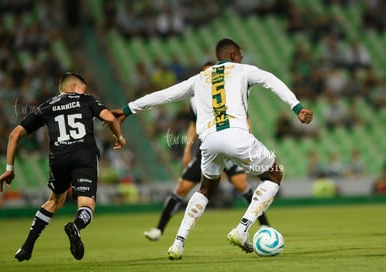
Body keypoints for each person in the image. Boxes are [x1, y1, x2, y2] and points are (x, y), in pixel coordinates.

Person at [112, 38, 313, 260]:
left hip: (208, 142)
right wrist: (297, 107)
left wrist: (128, 109)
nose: (242, 58)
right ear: (234, 55)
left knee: (205, 190)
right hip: (237, 135)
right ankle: (242, 228)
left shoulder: (199, 79)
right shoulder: (243, 70)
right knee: (274, 175)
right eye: (240, 55)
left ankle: (178, 243)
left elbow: (165, 94)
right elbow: (271, 80)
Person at [0, 72, 125, 262]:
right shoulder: (86, 100)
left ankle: (26, 247)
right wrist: (119, 137)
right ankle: (76, 226)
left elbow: (14, 135)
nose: (85, 91)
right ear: (74, 87)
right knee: (87, 204)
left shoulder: (47, 106)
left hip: (59, 158)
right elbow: (111, 118)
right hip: (84, 154)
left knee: (55, 200)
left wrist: (9, 168)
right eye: (83, 88)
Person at [144, 63, 270, 240]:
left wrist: (245, 142)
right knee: (182, 188)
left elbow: (246, 119)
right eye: (205, 73)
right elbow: (193, 125)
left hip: (232, 147)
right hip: (208, 151)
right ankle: (159, 229)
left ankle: (264, 225)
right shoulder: (195, 100)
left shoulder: (229, 95)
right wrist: (188, 148)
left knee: (242, 185)